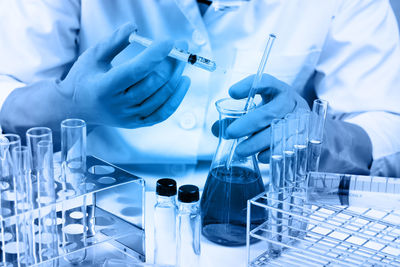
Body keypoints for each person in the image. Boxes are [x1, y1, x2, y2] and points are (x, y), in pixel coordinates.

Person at [0, 0, 399, 178]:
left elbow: (386, 120)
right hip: (96, 210)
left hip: (260, 217)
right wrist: (70, 104)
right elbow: (7, 89)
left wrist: (320, 137)